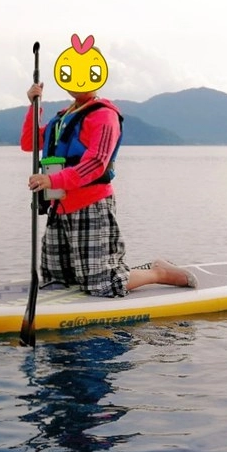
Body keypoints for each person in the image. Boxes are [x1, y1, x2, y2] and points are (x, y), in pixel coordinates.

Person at [21, 35, 196, 297]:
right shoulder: (63, 118)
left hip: (91, 205)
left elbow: (96, 163)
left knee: (102, 285)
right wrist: (33, 107)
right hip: (59, 206)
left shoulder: (104, 115)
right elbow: (29, 143)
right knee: (58, 280)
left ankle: (157, 272)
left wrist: (52, 181)